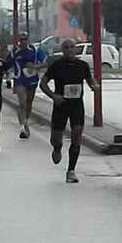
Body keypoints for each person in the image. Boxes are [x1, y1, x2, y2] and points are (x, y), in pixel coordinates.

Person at [39, 38, 99, 183]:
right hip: (61, 105)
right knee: (56, 139)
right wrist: (53, 96)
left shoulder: (82, 65)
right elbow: (43, 83)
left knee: (77, 135)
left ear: (75, 49)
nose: (69, 49)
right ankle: (57, 148)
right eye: (66, 47)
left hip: (76, 106)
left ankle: (71, 171)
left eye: (72, 47)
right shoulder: (56, 65)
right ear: (63, 50)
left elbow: (90, 80)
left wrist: (94, 86)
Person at [6, 31, 47, 139]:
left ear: (28, 40)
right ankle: (22, 127)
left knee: (29, 103)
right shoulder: (14, 51)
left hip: (32, 79)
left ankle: (26, 122)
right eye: (21, 40)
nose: (23, 42)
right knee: (22, 102)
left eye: (25, 39)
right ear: (18, 41)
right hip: (19, 79)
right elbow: (7, 64)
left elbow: (45, 63)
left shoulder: (35, 50)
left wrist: (35, 66)